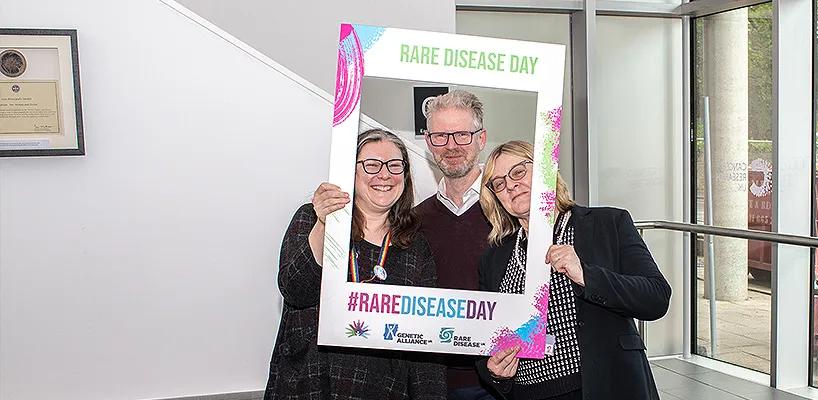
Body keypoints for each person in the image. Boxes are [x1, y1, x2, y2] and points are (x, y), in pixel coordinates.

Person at [475, 140, 671, 400]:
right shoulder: (494, 259)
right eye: (499, 183)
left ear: (545, 170)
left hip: (606, 388)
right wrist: (497, 373)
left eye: (518, 171)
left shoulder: (608, 224)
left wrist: (586, 275)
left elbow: (656, 298)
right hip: (531, 394)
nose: (510, 185)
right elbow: (487, 341)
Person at [264, 129, 446, 399]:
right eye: (371, 165)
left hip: (383, 388)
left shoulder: (416, 247)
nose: (384, 175)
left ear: (405, 176)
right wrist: (326, 224)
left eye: (395, 166)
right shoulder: (312, 219)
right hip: (309, 384)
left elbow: (424, 342)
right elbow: (296, 291)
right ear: (350, 171)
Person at [412, 90, 496, 400]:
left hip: (502, 378)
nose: (451, 146)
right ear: (428, 142)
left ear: (481, 138)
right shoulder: (414, 221)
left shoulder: (513, 210)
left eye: (461, 134)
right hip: (433, 380)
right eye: (440, 136)